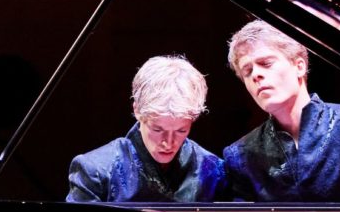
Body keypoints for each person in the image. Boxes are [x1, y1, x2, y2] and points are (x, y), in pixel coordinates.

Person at [223, 20, 340, 202]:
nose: (256, 75)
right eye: (247, 71)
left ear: (300, 66)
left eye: (266, 63)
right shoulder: (240, 154)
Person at [67, 55, 228, 202]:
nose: (168, 143)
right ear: (137, 110)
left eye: (181, 131)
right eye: (158, 130)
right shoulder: (95, 170)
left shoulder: (213, 171)